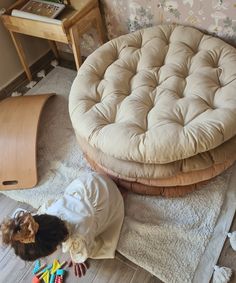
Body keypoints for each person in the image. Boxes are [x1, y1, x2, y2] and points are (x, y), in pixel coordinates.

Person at [0, 172, 124, 278]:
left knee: (95, 248)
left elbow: (84, 246)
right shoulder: (47, 211)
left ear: (54, 249)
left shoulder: (79, 237)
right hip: (90, 183)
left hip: (108, 197)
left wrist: (77, 258)